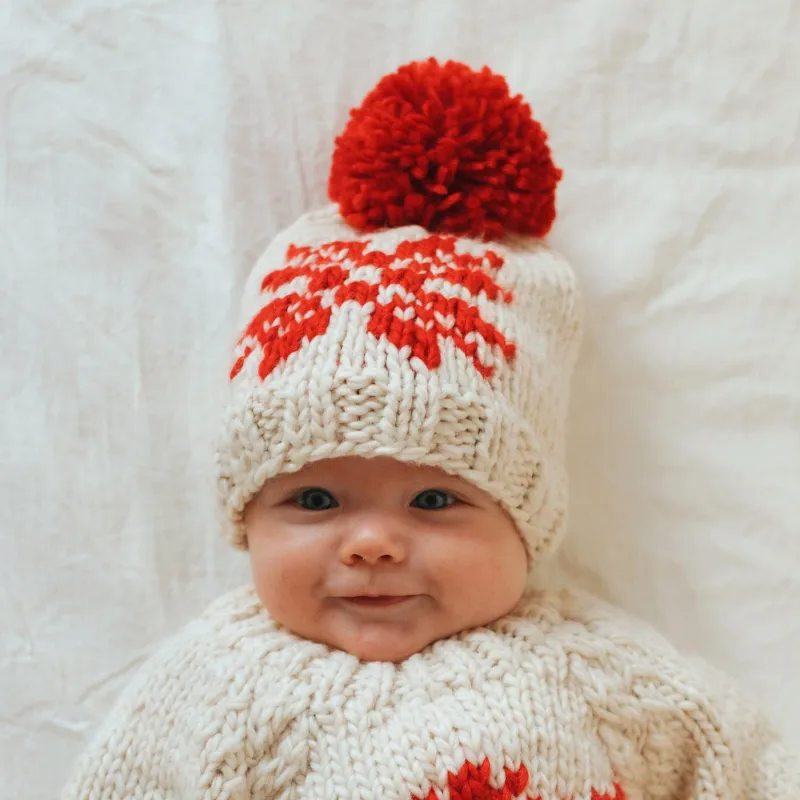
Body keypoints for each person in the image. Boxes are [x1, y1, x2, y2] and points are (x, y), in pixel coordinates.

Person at [63, 58, 799, 800]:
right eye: (314, 500)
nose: (372, 544)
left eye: (435, 500)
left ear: (524, 523)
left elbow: (752, 774)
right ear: (245, 520)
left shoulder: (606, 675)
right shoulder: (213, 684)